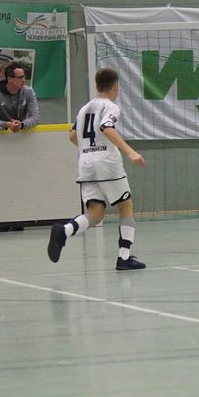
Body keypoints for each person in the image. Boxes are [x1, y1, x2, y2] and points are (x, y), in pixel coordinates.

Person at [47, 67, 147, 270]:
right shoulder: (111, 106)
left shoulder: (84, 108)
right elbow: (106, 128)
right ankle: (124, 257)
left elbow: (72, 136)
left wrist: (89, 150)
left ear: (97, 85)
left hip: (86, 162)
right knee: (125, 205)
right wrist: (130, 152)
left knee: (96, 213)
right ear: (116, 86)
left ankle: (64, 230)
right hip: (107, 163)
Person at [0, 62, 40, 132]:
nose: (24, 80)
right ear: (9, 79)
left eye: (24, 77)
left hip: (21, 133)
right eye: (20, 77)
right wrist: (6, 125)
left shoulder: (29, 91)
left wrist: (22, 125)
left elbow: (35, 117)